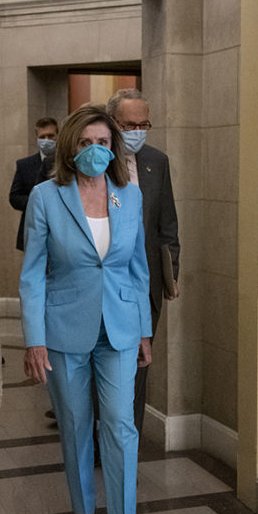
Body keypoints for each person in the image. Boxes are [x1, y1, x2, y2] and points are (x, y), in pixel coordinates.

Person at [20, 105, 151, 514]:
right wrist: (34, 339)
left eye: (103, 143)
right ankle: (83, 512)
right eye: (86, 142)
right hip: (64, 328)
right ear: (70, 146)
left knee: (119, 425)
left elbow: (137, 267)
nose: (96, 150)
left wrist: (144, 329)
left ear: (112, 148)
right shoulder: (45, 196)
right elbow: (33, 273)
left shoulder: (129, 195)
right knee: (75, 425)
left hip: (119, 327)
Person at [106, 88, 181, 444]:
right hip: (105, 284)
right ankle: (99, 445)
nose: (137, 131)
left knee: (137, 370)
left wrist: (169, 276)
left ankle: (127, 447)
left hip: (145, 286)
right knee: (103, 369)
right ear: (112, 123)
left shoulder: (156, 161)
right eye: (128, 125)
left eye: (143, 124)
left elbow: (167, 224)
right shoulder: (95, 159)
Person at [9, 116, 58, 251]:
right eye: (42, 137)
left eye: (50, 136)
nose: (46, 140)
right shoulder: (24, 165)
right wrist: (36, 202)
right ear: (36, 138)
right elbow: (14, 197)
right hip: (33, 228)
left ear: (57, 136)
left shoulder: (64, 162)